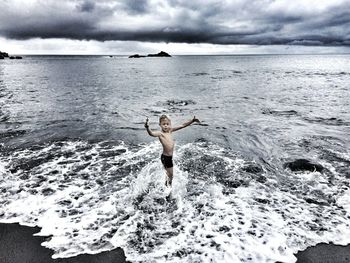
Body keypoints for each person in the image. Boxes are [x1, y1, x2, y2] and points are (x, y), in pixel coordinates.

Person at [144, 115, 200, 187]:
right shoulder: (160, 134)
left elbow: (182, 125)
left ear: (170, 124)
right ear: (160, 125)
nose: (166, 126)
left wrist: (192, 121)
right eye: (163, 124)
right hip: (166, 157)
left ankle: (166, 188)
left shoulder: (170, 131)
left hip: (169, 157)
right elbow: (151, 133)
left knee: (169, 175)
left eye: (167, 124)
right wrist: (147, 127)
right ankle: (167, 190)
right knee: (170, 176)